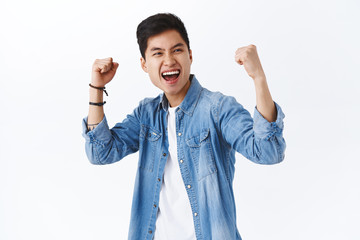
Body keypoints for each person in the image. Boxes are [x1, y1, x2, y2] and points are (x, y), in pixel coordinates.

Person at [82, 13, 286, 240]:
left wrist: (258, 77)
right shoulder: (146, 115)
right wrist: (96, 88)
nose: (169, 60)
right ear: (144, 64)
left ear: (190, 55)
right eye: (158, 53)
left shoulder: (217, 109)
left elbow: (268, 152)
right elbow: (100, 153)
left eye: (177, 50)